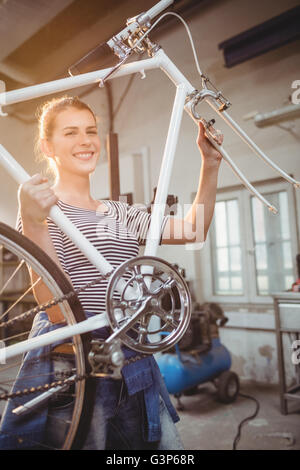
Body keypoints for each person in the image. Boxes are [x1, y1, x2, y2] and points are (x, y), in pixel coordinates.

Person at [0, 95, 223, 450]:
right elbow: (56, 310)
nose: (85, 140)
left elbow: (194, 229)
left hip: (134, 362)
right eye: (70, 132)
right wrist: (32, 220)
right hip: (77, 368)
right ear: (48, 146)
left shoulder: (122, 213)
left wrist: (209, 164)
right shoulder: (43, 211)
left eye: (91, 130)